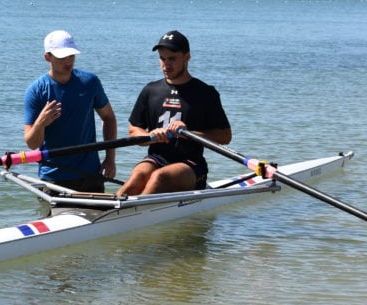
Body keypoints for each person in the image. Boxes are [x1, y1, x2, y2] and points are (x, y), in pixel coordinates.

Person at [117, 30, 232, 196]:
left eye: (172, 59)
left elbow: (225, 136)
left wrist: (188, 133)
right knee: (137, 177)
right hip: (157, 158)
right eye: (162, 59)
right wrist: (150, 136)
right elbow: (134, 131)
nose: (166, 64)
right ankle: (112, 209)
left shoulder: (205, 93)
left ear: (187, 57)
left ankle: (132, 210)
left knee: (159, 177)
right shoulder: (150, 91)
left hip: (191, 164)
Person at [24, 30, 117, 193]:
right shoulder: (36, 91)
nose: (68, 61)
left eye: (71, 55)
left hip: (90, 174)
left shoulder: (90, 82)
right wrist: (41, 123)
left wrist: (110, 159)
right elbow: (32, 144)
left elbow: (109, 118)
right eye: (62, 57)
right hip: (54, 177)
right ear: (48, 57)